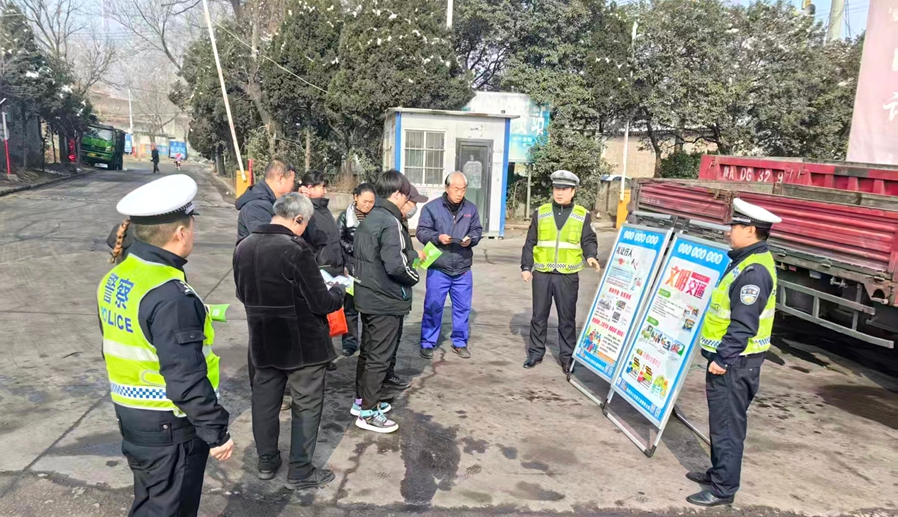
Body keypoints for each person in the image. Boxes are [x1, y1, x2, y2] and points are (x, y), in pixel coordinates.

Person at [98, 174, 233, 517]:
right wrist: (216, 432)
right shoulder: (170, 295)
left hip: (133, 418)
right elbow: (184, 376)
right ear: (180, 233)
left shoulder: (119, 276)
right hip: (169, 426)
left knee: (151, 504)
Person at [233, 193, 344, 489]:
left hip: (262, 340)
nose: (306, 229)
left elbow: (242, 294)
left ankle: (267, 461)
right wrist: (338, 291)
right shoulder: (296, 250)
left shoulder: (243, 246)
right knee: (306, 405)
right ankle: (300, 470)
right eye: (305, 223)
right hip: (302, 345)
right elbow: (321, 302)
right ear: (297, 219)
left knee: (264, 403)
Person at [685, 198, 781, 507]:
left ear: (750, 230)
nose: (730, 232)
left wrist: (723, 358)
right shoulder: (746, 260)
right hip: (734, 361)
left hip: (736, 363)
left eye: (735, 226)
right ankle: (718, 473)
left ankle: (723, 489)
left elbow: (744, 323)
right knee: (721, 422)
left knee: (727, 426)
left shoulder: (753, 271)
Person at [352, 170, 421, 433]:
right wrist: (413, 277)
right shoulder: (390, 222)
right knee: (379, 358)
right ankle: (368, 413)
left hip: (369, 295)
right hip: (385, 299)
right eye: (407, 195)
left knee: (369, 353)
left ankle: (362, 401)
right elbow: (396, 265)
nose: (409, 202)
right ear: (398, 194)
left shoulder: (371, 218)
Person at [521, 170, 600, 375]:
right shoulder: (541, 212)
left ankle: (567, 357)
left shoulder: (582, 215)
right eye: (557, 188)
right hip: (543, 273)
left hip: (567, 275)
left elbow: (588, 239)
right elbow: (530, 242)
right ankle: (535, 353)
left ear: (573, 191)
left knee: (567, 318)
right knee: (539, 316)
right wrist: (526, 267)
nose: (559, 192)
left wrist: (591, 256)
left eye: (564, 189)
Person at [415, 171, 483, 360]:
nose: (460, 193)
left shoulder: (471, 209)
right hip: (439, 266)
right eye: (456, 189)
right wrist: (438, 237)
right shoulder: (431, 208)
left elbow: (477, 230)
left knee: (462, 308)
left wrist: (471, 239)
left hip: (462, 268)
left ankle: (460, 342)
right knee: (433, 306)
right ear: (447, 188)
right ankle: (428, 342)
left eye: (463, 189)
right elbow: (421, 232)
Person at [381, 184, 429, 391]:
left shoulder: (400, 221)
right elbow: (393, 260)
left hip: (397, 292)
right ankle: (376, 389)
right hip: (389, 291)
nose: (414, 208)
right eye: (413, 203)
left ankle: (388, 374)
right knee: (382, 345)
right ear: (402, 199)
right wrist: (412, 275)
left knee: (394, 338)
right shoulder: (389, 222)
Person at [336, 182, 377, 357]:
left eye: (371, 202)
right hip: (351, 267)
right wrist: (353, 248)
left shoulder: (377, 216)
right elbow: (338, 239)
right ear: (355, 197)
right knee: (350, 308)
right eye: (364, 201)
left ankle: (369, 341)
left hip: (372, 268)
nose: (368, 205)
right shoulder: (345, 216)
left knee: (369, 308)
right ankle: (350, 342)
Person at [235, 159, 296, 242]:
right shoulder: (256, 206)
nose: (294, 186)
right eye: (293, 181)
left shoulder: (271, 201)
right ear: (280, 178)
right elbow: (268, 242)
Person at [298, 171, 344, 277]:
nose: (325, 191)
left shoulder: (324, 209)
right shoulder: (303, 212)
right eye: (322, 187)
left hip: (335, 271)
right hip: (319, 273)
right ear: (310, 188)